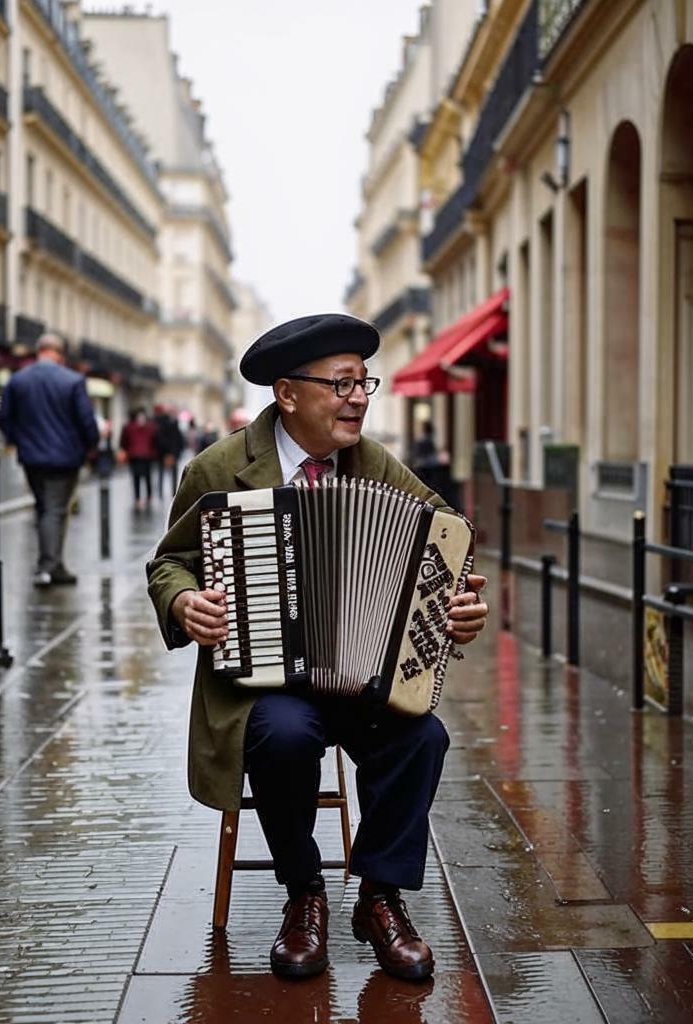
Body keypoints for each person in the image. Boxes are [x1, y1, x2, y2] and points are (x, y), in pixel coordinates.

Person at [147, 313, 488, 982]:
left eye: (365, 383)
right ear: (287, 392)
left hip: (359, 681)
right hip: (264, 687)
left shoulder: (375, 464)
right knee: (284, 736)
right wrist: (185, 602)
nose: (359, 397)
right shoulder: (220, 467)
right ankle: (304, 893)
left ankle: (379, 898)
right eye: (342, 383)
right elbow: (170, 562)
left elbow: (446, 536)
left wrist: (453, 609)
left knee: (423, 737)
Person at [0, 332, 98, 587]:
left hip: (31, 457)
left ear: (39, 350)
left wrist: (18, 441)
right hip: (65, 458)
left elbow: (4, 418)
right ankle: (48, 567)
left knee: (45, 508)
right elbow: (86, 420)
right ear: (59, 353)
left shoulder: (18, 380)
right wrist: (91, 446)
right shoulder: (73, 380)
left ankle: (53, 563)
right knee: (55, 510)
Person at [119, 407, 157, 509]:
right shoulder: (150, 427)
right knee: (145, 477)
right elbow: (155, 441)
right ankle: (146, 497)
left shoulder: (129, 427)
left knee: (138, 477)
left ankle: (139, 498)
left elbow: (123, 442)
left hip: (137, 456)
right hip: (142, 456)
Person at [153, 404, 185, 499]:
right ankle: (172, 492)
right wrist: (174, 452)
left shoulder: (163, 423)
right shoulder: (171, 424)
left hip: (165, 453)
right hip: (168, 453)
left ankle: (164, 493)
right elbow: (178, 440)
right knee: (169, 473)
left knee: (162, 473)